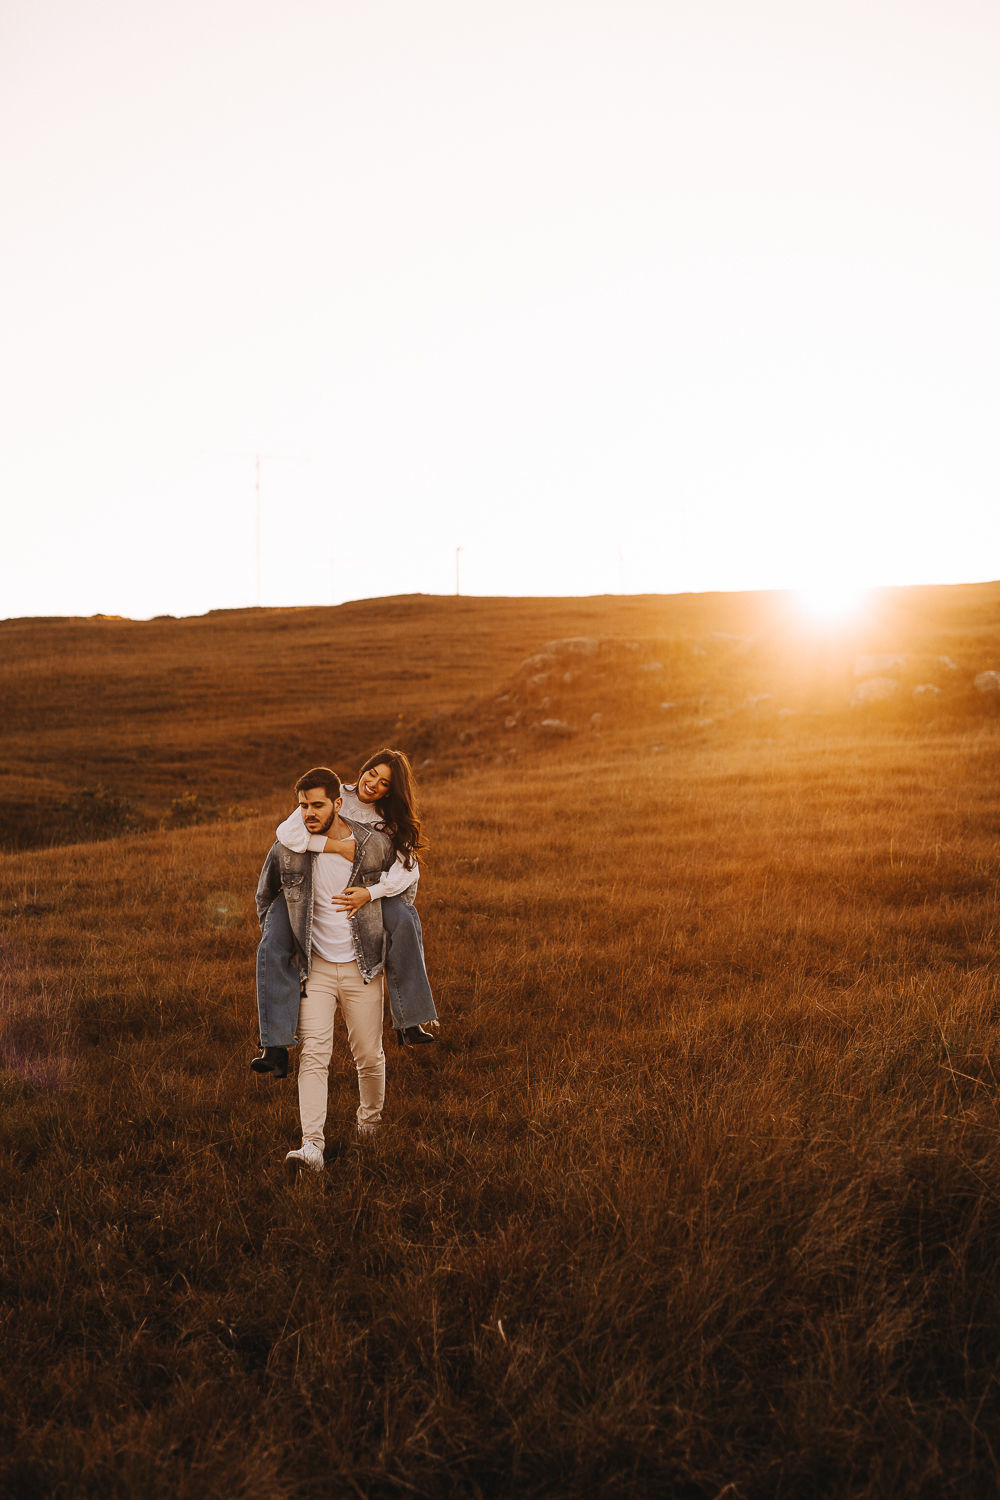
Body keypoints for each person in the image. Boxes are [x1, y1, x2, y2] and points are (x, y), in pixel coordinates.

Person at [253, 747, 436, 1073]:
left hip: (369, 889)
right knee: (271, 942)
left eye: (384, 783)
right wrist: (336, 846)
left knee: (406, 919)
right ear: (363, 769)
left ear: (392, 790)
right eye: (372, 774)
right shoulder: (337, 794)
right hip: (309, 884)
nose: (373, 784)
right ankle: (275, 1045)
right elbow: (288, 833)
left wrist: (371, 892)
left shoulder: (390, 819)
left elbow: (407, 871)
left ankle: (409, 1022)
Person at [254, 766, 396, 1173]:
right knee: (314, 1054)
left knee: (369, 1055)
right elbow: (265, 898)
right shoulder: (287, 847)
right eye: (302, 806)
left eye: (317, 805)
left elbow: (406, 886)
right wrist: (285, 941)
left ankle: (369, 1125)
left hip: (362, 966)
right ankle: (311, 1146)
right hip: (313, 970)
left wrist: (373, 896)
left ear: (338, 802)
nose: (309, 813)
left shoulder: (371, 844)